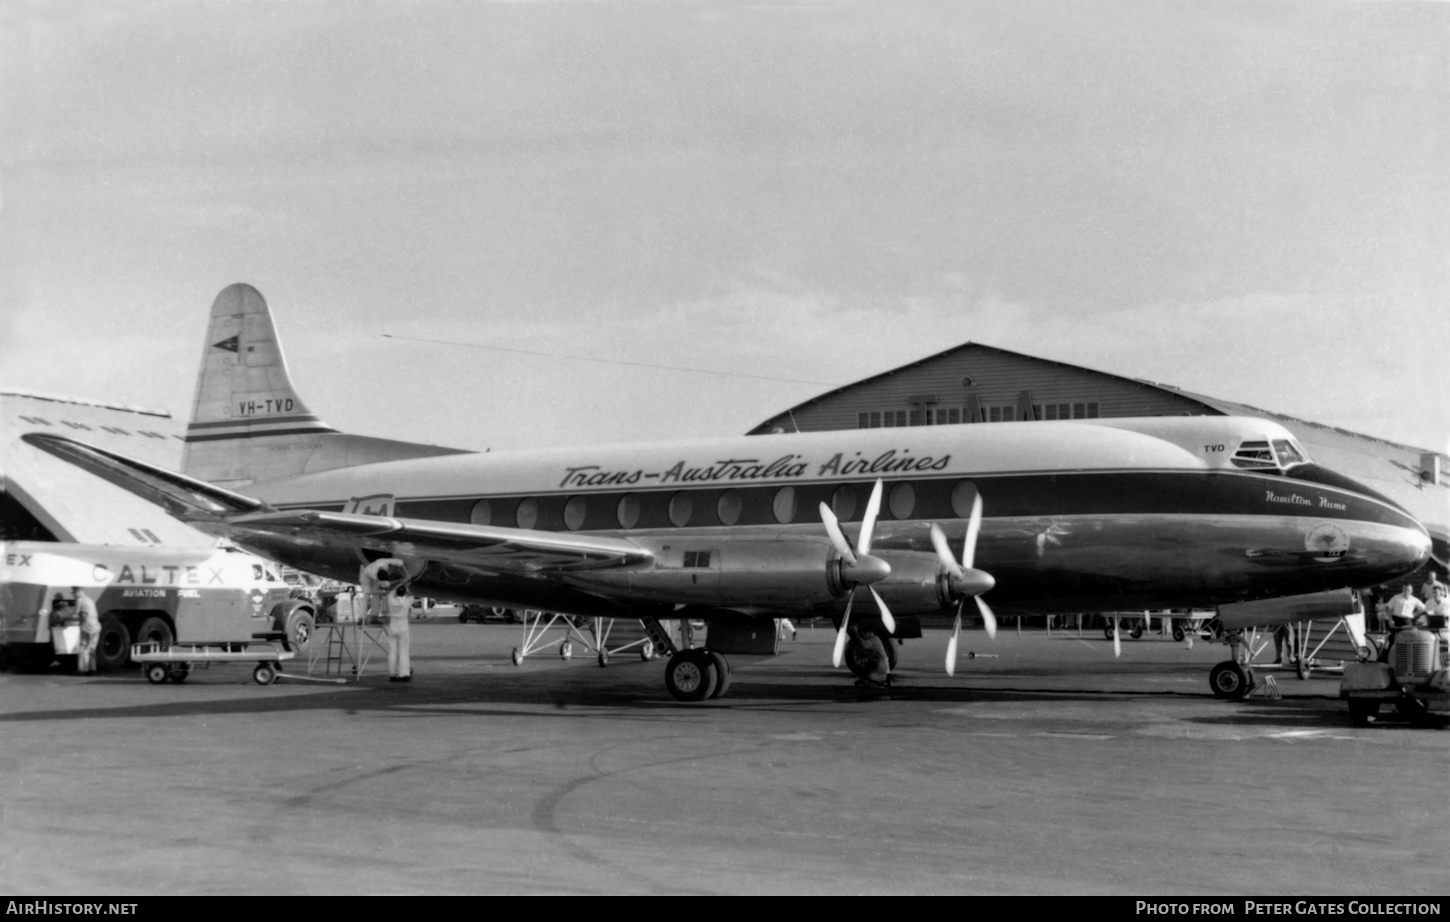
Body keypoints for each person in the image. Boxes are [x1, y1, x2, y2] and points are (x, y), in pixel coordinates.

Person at [385, 582, 413, 682]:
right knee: (403, 651)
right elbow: (410, 595)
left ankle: (392, 673)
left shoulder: (391, 599)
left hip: (393, 625)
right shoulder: (406, 602)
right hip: (403, 626)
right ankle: (403, 674)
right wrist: (407, 587)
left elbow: (392, 592)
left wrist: (401, 585)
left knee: (392, 651)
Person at [849, 623, 890, 688]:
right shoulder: (876, 639)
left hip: (880, 669)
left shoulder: (873, 640)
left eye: (863, 635)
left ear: (867, 633)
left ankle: (874, 682)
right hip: (882, 668)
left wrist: (855, 633)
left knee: (865, 684)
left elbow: (863, 645)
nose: (863, 637)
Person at [71, 586, 101, 675]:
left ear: (77, 591)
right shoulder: (89, 600)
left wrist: (63, 618)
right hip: (97, 626)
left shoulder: (80, 600)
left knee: (83, 647)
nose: (73, 595)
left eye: (73, 593)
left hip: (87, 627)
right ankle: (92, 669)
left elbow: (74, 614)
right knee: (92, 648)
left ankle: (82, 670)